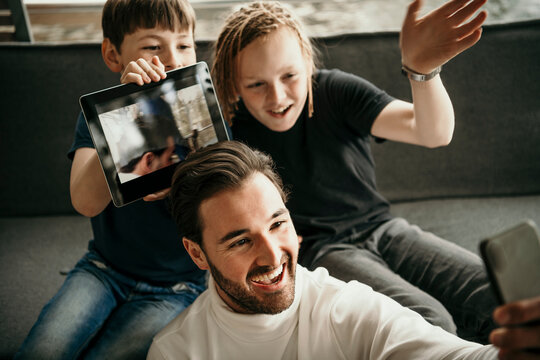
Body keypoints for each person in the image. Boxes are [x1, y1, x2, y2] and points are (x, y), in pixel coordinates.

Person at [211, 0, 498, 343]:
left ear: (308, 63)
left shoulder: (335, 91)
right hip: (324, 250)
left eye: (289, 76)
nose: (277, 97)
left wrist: (422, 70)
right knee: (429, 321)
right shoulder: (227, 128)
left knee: (498, 290)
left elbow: (433, 132)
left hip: (384, 228)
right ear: (234, 87)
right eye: (256, 85)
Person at [147, 140, 499, 359]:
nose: (273, 256)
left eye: (277, 224)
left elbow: (453, 355)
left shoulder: (344, 307)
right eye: (240, 241)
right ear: (197, 253)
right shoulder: (176, 352)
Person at [15, 0, 205, 358]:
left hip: (176, 286)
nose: (174, 59)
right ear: (113, 55)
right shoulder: (100, 116)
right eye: (153, 46)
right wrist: (125, 117)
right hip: (103, 270)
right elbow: (86, 201)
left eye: (184, 44)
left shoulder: (201, 117)